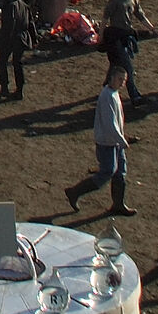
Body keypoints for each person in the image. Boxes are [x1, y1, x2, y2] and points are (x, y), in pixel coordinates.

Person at [63, 67, 135, 216]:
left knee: (120, 171)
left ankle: (118, 204)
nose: (122, 83)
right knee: (108, 171)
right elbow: (110, 124)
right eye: (120, 79)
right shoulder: (107, 96)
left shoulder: (114, 94)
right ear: (111, 78)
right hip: (107, 143)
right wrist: (121, 140)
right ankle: (75, 191)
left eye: (124, 80)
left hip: (114, 141)